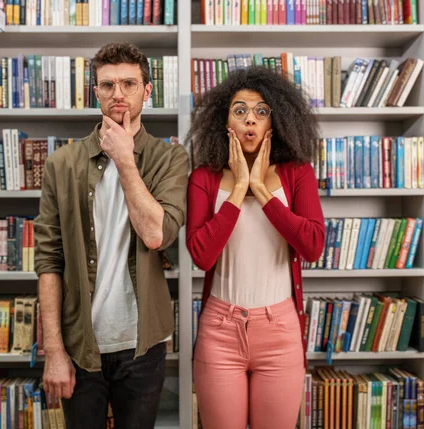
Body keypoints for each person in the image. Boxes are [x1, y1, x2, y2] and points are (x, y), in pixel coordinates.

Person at [34, 42, 189, 429]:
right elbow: (49, 261)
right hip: (79, 345)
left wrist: (124, 158)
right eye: (107, 85)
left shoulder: (171, 159)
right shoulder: (61, 164)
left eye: (129, 84)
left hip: (143, 346)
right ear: (95, 91)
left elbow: (157, 234)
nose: (118, 94)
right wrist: (53, 349)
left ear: (147, 90)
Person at [186, 66, 326, 429]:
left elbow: (312, 246)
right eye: (240, 110)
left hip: (279, 329)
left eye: (262, 111)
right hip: (219, 330)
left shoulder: (298, 173)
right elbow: (202, 255)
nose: (251, 120)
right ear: (225, 121)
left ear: (275, 121)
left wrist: (262, 191)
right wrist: (237, 190)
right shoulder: (204, 178)